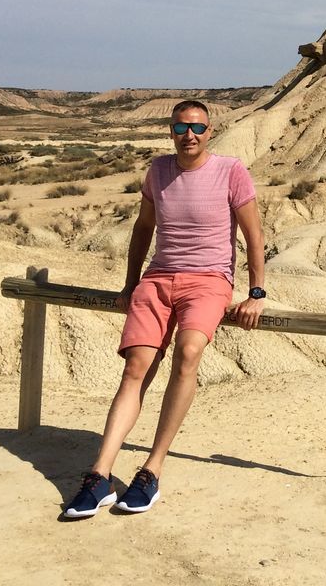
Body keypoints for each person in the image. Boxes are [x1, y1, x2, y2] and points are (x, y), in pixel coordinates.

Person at [62, 100, 266, 518]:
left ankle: (151, 469)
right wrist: (130, 281)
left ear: (211, 131)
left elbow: (253, 234)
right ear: (170, 131)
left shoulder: (231, 171)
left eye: (197, 127)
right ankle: (99, 474)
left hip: (209, 280)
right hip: (158, 279)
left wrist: (256, 293)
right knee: (136, 368)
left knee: (188, 353)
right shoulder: (157, 172)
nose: (188, 134)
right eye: (180, 127)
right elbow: (143, 228)